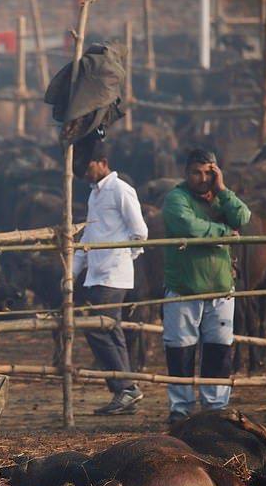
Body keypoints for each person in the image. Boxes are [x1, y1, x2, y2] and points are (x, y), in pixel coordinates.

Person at [162, 148, 250, 423]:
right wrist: (225, 233)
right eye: (196, 172)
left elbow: (243, 218)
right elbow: (190, 227)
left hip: (221, 287)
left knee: (219, 349)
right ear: (186, 173)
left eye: (208, 172)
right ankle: (181, 409)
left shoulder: (221, 199)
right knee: (180, 350)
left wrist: (222, 188)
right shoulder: (176, 199)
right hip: (184, 288)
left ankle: (216, 408)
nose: (202, 178)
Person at [73, 134, 149, 415]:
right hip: (97, 273)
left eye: (87, 167)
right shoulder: (95, 193)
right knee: (111, 331)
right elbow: (89, 236)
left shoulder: (120, 189)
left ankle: (126, 388)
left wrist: (121, 257)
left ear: (102, 163)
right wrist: (73, 269)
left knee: (96, 327)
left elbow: (140, 232)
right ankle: (126, 390)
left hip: (112, 275)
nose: (83, 174)